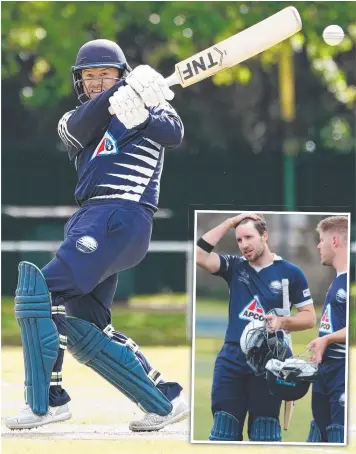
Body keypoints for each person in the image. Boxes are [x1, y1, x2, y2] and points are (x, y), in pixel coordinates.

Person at [6, 39, 189, 432]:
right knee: (86, 326)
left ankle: (46, 403)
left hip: (121, 214)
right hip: (92, 220)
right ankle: (164, 399)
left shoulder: (153, 104)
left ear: (121, 73)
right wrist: (123, 93)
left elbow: (174, 133)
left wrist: (142, 114)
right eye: (89, 76)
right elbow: (79, 128)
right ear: (80, 82)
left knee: (40, 292)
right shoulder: (74, 118)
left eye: (105, 74)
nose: (96, 81)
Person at [196, 213, 317, 442]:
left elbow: (309, 318)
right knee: (223, 430)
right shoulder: (234, 266)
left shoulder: (290, 272)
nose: (244, 245)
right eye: (239, 240)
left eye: (249, 237)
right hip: (231, 358)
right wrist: (230, 223)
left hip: (269, 360)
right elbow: (200, 255)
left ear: (265, 236)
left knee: (265, 433)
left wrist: (283, 322)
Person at [307, 216, 348, 444]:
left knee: (337, 437)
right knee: (318, 437)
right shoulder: (336, 280)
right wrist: (320, 342)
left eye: (321, 240)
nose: (318, 246)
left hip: (341, 371)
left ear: (334, 241)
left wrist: (327, 339)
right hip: (325, 371)